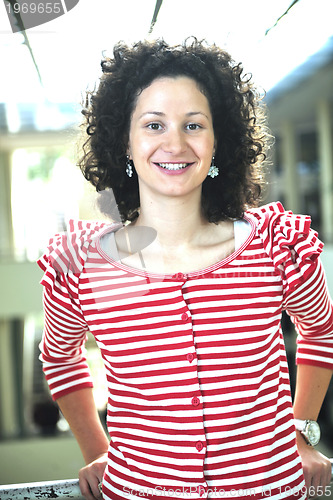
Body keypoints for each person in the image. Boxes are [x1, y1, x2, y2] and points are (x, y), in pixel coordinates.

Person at [37, 38, 333, 500]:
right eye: (153, 124)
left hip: (274, 489)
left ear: (218, 142)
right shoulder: (80, 266)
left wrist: (303, 430)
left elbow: (321, 332)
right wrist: (96, 450)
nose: (174, 143)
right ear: (125, 141)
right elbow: (60, 357)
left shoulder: (277, 246)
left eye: (193, 125)